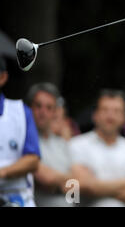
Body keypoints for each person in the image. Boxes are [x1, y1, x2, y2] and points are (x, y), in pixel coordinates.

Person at [69, 89, 125, 207]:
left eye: (116, 111)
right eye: (105, 110)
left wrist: (97, 187)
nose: (110, 116)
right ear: (95, 115)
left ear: (124, 118)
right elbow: (83, 185)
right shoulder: (76, 145)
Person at [0, 57, 41, 207]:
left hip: (17, 198)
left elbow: (32, 160)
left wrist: (3, 172)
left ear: (3, 77)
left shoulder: (21, 112)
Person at [27, 83, 73, 207]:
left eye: (49, 107)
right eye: (38, 106)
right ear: (29, 107)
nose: (43, 112)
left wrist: (64, 187)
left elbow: (78, 184)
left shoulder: (62, 144)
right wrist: (67, 182)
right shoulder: (23, 139)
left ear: (55, 112)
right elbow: (47, 179)